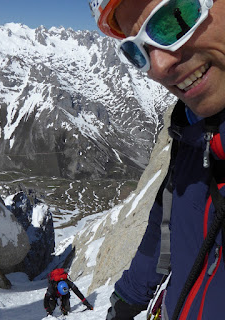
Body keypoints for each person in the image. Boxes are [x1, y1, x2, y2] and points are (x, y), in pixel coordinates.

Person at [89, 0, 225, 319]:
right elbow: (168, 219)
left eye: (174, 19)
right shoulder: (192, 131)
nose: (158, 66)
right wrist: (130, 295)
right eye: (137, 52)